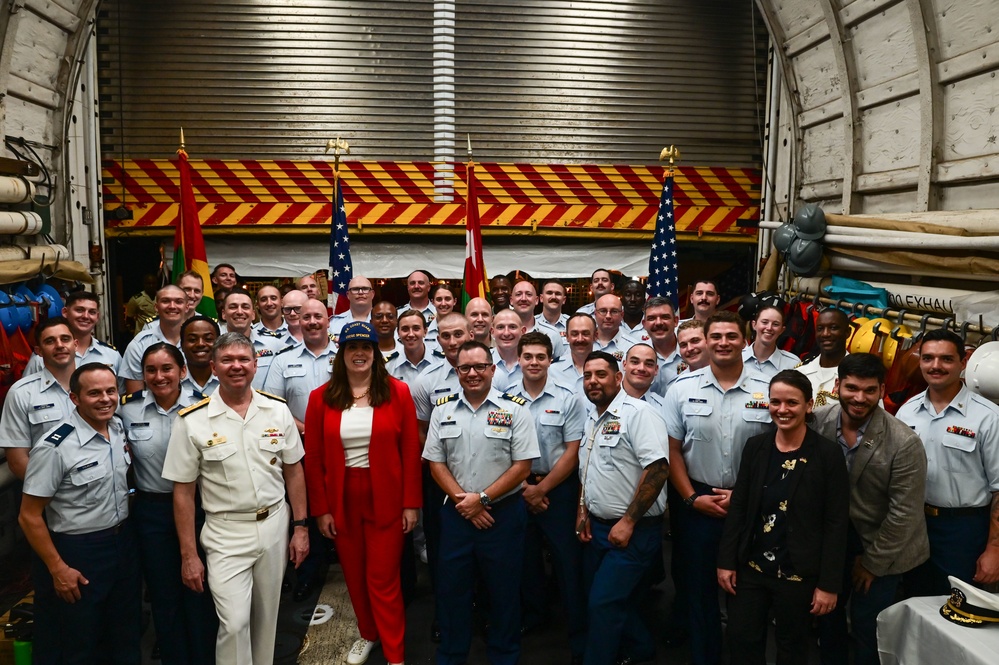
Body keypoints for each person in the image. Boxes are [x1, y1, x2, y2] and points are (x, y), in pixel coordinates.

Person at [162, 333, 310, 665]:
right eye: (227, 360)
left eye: (244, 359)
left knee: (266, 620)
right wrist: (189, 555)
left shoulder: (277, 411)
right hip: (225, 533)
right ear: (213, 366)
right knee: (234, 622)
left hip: (274, 524)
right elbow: (183, 492)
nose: (236, 366)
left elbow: (294, 471)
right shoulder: (192, 421)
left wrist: (301, 527)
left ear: (256, 365)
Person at [303, 321, 421, 665]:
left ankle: (395, 653)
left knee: (383, 579)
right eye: (352, 348)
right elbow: (314, 460)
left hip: (385, 495)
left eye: (366, 348)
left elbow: (410, 451)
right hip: (342, 497)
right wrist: (321, 510)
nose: (359, 354)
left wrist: (411, 504)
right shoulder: (320, 398)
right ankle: (368, 634)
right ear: (341, 354)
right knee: (354, 576)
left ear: (375, 353)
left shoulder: (398, 392)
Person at [717, 370, 849, 665]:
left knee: (792, 647)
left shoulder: (827, 455)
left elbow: (836, 522)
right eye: (775, 402)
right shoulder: (756, 447)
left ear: (809, 405)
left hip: (799, 572)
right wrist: (725, 561)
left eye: (791, 402)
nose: (782, 409)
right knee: (741, 640)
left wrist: (829, 584)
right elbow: (738, 507)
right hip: (751, 567)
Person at [663, 311, 773, 665]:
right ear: (706, 342)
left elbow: (780, 450)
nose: (723, 342)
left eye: (731, 336)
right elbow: (672, 451)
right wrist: (691, 498)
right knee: (699, 593)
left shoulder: (769, 388)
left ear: (745, 340)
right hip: (698, 503)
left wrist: (744, 496)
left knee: (749, 593)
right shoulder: (681, 389)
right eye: (716, 337)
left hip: (753, 504)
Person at [423, 340, 540, 665]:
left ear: (492, 369)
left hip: (502, 515)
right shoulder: (442, 410)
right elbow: (436, 463)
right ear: (457, 371)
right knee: (452, 592)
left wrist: (483, 499)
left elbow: (523, 466)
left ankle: (504, 654)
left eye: (479, 367)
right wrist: (467, 504)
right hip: (457, 516)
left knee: (503, 591)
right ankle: (451, 654)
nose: (472, 373)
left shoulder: (514, 410)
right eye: (465, 368)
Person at [18, 363, 141, 664]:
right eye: (94, 393)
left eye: (111, 391)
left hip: (122, 544)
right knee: (80, 641)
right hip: (79, 552)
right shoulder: (55, 446)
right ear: (75, 399)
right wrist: (58, 569)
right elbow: (29, 515)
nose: (105, 399)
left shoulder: (117, 428)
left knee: (125, 634)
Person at [811, 353, 929, 665]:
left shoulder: (904, 442)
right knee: (827, 617)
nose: (859, 398)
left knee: (869, 625)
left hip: (883, 544)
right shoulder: (817, 422)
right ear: (837, 386)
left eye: (869, 390)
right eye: (851, 388)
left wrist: (873, 564)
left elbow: (904, 513)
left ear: (881, 390)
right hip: (835, 540)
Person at [119, 343, 217, 664]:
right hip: (153, 512)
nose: (159, 377)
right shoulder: (126, 410)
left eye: (167, 369)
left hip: (200, 508)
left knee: (201, 590)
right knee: (164, 595)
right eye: (151, 370)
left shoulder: (206, 407)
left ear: (182, 372)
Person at [576, 350, 670, 665]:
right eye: (588, 376)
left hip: (633, 530)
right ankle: (642, 650)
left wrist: (628, 521)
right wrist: (582, 508)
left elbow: (657, 469)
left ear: (618, 378)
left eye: (601, 374)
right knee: (609, 601)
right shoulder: (593, 416)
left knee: (603, 603)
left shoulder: (638, 414)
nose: (593, 381)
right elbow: (589, 468)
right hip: (599, 527)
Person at [896, 329, 999, 593]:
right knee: (912, 604)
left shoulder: (989, 418)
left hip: (964, 532)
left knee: (959, 609)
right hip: (914, 525)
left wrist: (994, 550)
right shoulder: (907, 411)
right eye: (928, 358)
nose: (936, 366)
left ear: (963, 362)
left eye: (946, 359)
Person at [506, 332, 586, 660]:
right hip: (517, 488)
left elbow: (572, 451)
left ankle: (578, 628)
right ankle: (536, 615)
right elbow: (502, 447)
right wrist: (525, 488)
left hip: (558, 489)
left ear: (550, 360)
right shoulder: (505, 396)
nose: (534, 362)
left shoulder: (568, 396)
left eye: (541, 357)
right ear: (519, 359)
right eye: (528, 357)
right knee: (525, 559)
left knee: (568, 561)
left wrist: (542, 488)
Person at [0, 317, 77, 479]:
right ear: (38, 351)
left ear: (75, 344)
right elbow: (17, 460)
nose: (59, 345)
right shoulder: (21, 394)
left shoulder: (96, 386)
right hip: (52, 498)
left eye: (65, 339)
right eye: (50, 341)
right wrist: (53, 494)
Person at [23, 291, 121, 376]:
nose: (86, 316)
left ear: (97, 316)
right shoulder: (42, 356)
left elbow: (119, 393)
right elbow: (27, 392)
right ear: (65, 312)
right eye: (79, 310)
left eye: (92, 312)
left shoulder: (111, 355)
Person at [219, 289, 295, 390]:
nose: (240, 312)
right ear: (223, 314)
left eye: (245, 307)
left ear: (253, 314)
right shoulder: (214, 347)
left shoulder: (275, 345)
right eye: (233, 307)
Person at [121, 285, 187, 393]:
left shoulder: (198, 344)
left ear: (187, 306)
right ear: (156, 307)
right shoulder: (139, 345)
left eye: (178, 302)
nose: (172, 306)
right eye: (165, 301)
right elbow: (135, 399)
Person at [797, 308, 850, 406]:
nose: (826, 334)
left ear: (847, 332)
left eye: (833, 328)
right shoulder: (801, 373)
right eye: (820, 329)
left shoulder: (861, 375)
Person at [511, 280, 565, 360]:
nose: (523, 298)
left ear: (536, 300)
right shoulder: (501, 333)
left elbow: (560, 368)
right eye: (518, 294)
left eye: (529, 294)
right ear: (511, 300)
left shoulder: (552, 334)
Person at [640, 296, 684, 395]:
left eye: (665, 317)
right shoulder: (635, 356)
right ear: (644, 324)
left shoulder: (691, 352)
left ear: (676, 321)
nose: (659, 323)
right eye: (652, 318)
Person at [743, 305, 800, 377]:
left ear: (782, 330)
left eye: (775, 324)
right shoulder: (737, 358)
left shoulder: (792, 364)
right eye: (764, 322)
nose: (769, 328)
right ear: (754, 325)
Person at [387, 309, 441, 385]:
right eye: (405, 329)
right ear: (398, 333)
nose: (411, 334)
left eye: (416, 328)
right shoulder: (388, 366)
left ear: (425, 332)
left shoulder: (440, 361)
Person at [551, 312, 597, 395]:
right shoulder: (553, 370)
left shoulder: (606, 369)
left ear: (595, 336)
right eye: (574, 334)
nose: (580, 339)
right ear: (567, 337)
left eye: (585, 333)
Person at [180, 316, 220, 396]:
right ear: (182, 345)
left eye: (208, 339)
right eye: (192, 339)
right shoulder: (172, 381)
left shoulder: (229, 378)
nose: (200, 344)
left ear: (219, 344)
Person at [593, 294, 637, 359]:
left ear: (622, 315)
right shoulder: (583, 343)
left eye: (614, 311)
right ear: (595, 314)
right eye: (603, 311)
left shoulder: (633, 347)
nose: (608, 316)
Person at [491, 309, 525, 391]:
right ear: (492, 332)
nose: (506, 333)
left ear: (523, 331)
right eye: (500, 327)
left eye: (512, 327)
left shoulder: (533, 363)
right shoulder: (481, 362)